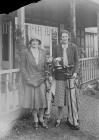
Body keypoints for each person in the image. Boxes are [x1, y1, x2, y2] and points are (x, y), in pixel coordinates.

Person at [53, 30, 80, 130]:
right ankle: (59, 118)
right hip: (60, 75)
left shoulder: (73, 47)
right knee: (60, 98)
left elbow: (77, 61)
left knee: (72, 98)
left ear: (68, 37)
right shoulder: (56, 47)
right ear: (60, 38)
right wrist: (55, 60)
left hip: (71, 74)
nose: (64, 38)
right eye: (62, 36)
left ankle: (72, 118)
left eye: (65, 36)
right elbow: (53, 60)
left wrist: (75, 73)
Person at [20, 37, 48, 130]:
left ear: (39, 42)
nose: (34, 42)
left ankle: (41, 119)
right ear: (30, 42)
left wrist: (47, 76)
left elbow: (46, 66)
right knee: (34, 101)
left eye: (36, 41)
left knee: (43, 100)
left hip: (41, 79)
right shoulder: (25, 52)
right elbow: (23, 67)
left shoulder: (43, 52)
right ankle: (35, 120)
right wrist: (27, 78)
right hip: (30, 80)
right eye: (33, 41)